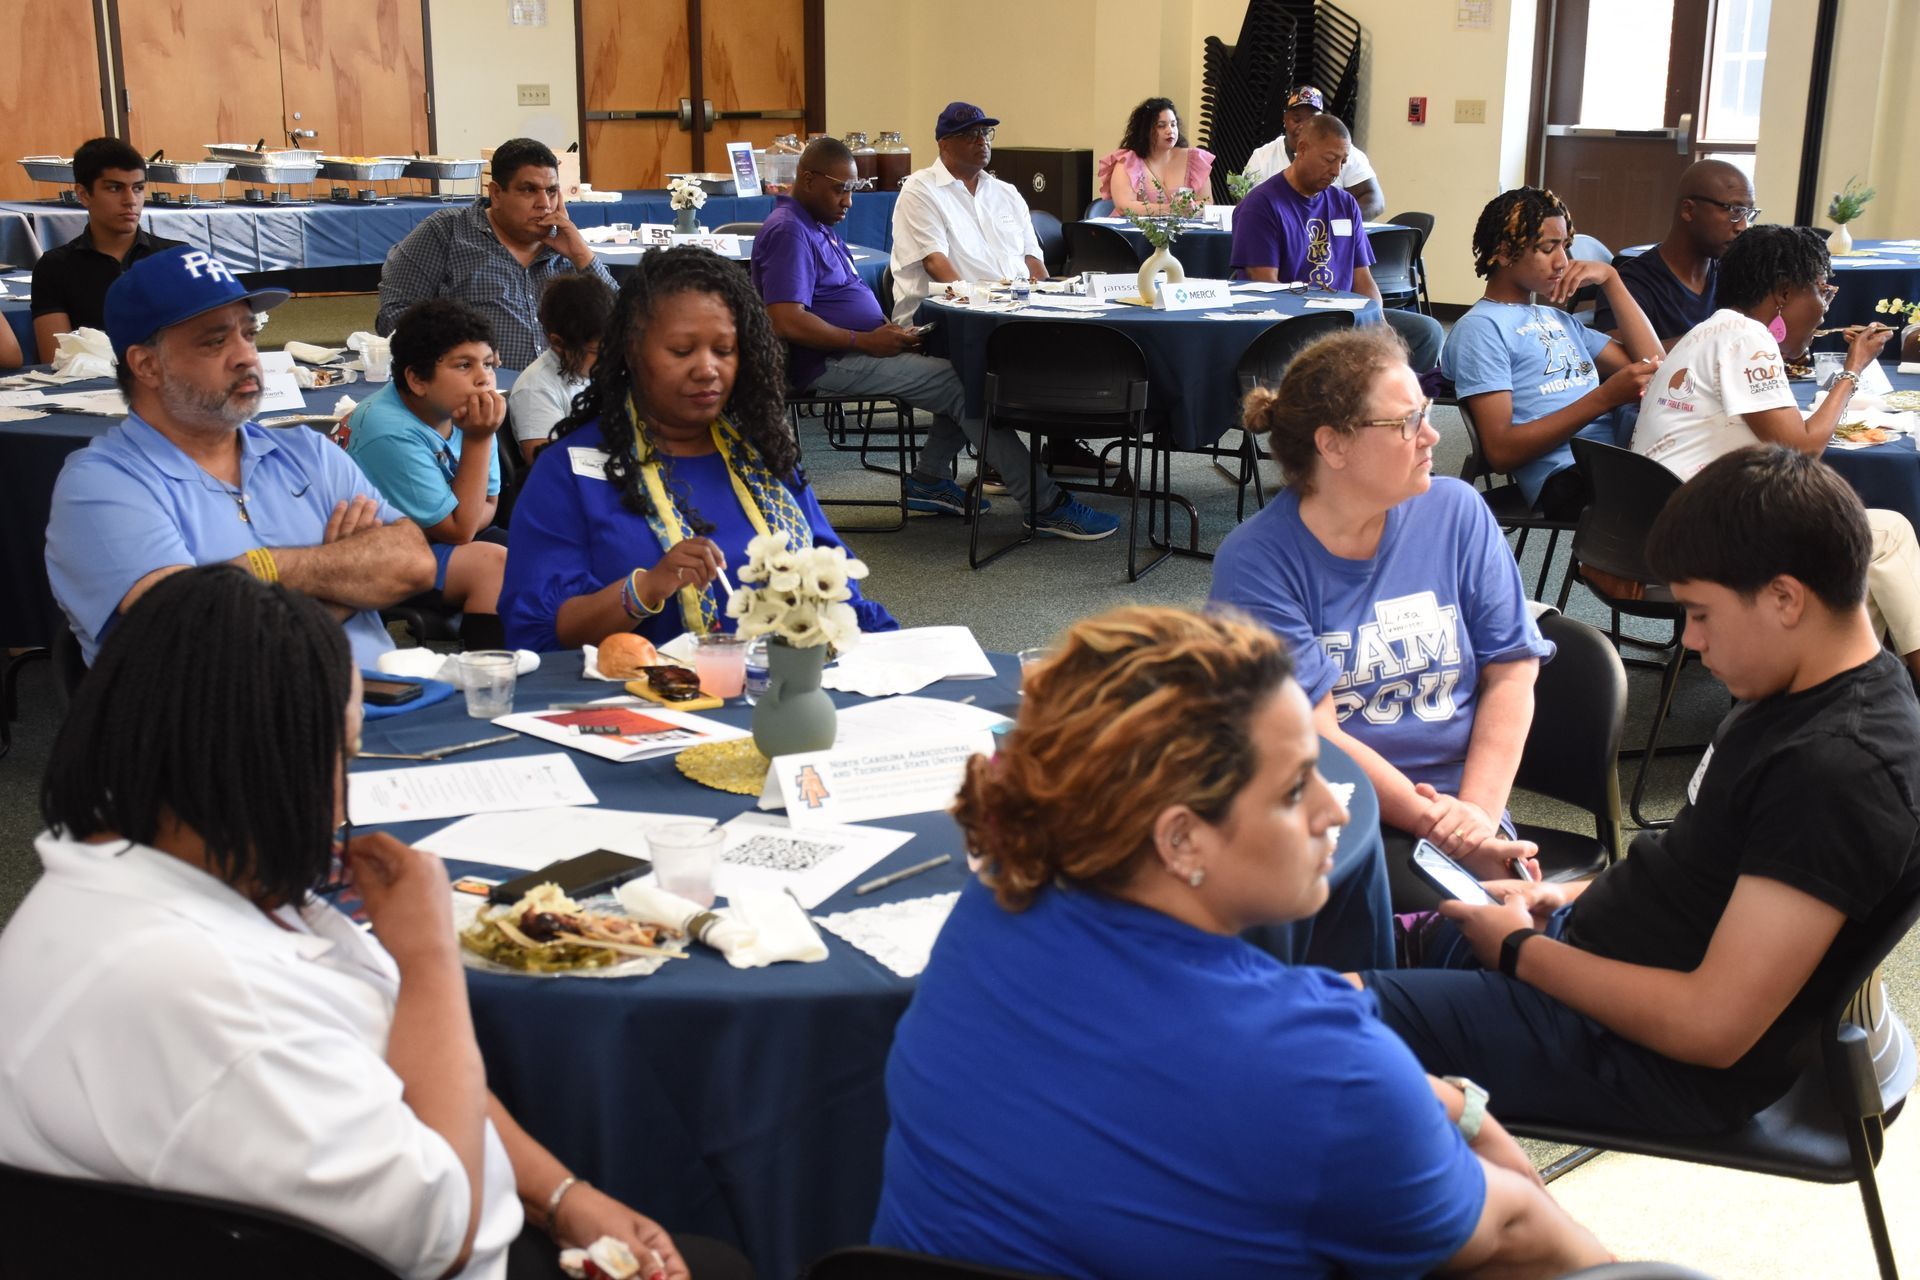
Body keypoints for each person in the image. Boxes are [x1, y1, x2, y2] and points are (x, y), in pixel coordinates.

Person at [0, 565, 753, 1280]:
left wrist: (561, 1197)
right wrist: (427, 962)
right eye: (342, 758)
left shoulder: (126, 870)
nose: (338, 803)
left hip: (339, 1227)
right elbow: (448, 1234)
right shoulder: (201, 990)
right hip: (423, 1248)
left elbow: (390, 1059)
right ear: (271, 768)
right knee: (718, 1262)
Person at [870, 605, 1610, 1279]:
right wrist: (1466, 1110)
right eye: (1295, 790)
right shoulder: (1316, 1062)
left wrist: (1439, 1101)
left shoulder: (992, 907)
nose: (1333, 809)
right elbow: (1525, 1235)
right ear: (1182, 839)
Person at [1363, 446, 1920, 1135]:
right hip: (1589, 957)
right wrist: (1561, 897)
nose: (1691, 639)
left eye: (1702, 613)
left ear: (1784, 597)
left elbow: (1713, 1028)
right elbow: (1702, 867)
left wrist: (1521, 952)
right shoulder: (1797, 686)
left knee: (1307, 1027)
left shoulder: (1839, 772)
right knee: (1331, 946)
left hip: (1642, 1056)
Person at [1211, 327, 1552, 896]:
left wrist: (1478, 816)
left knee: (1516, 929)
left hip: (1466, 805)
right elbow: (1316, 737)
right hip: (1331, 811)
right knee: (1469, 936)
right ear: (1333, 446)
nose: (1431, 436)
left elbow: (1513, 669)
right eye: (1405, 423)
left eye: (1426, 411)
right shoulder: (1256, 562)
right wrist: (1448, 834)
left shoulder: (1456, 512)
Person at [45, 246, 433, 668]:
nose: (246, 356)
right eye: (215, 341)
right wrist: (344, 581)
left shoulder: (308, 452)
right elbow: (202, 644)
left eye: (248, 334)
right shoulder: (101, 486)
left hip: (394, 707)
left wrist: (261, 567)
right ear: (147, 366)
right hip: (238, 730)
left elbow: (414, 562)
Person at [499, 246, 898, 651]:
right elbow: (539, 634)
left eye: (724, 350)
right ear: (632, 352)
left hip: (786, 690)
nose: (707, 369)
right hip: (642, 702)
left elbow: (837, 582)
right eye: (682, 351)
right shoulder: (567, 472)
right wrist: (645, 589)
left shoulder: (764, 453)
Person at [755, 137, 1117, 540]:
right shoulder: (789, 231)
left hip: (857, 348)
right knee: (963, 385)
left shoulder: (815, 223)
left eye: (852, 190)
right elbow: (784, 320)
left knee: (962, 369)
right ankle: (1044, 503)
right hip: (827, 364)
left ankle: (928, 480)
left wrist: (882, 335)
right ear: (806, 179)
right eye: (839, 189)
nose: (848, 202)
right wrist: (864, 341)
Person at [1629, 225, 1914, 676]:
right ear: (1783, 292)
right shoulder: (1746, 338)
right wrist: (1853, 368)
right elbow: (1803, 450)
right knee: (1888, 534)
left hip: (1654, 520)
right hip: (1703, 538)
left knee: (1861, 553)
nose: (1825, 309)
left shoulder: (1709, 330)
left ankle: (1837, 690)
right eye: (1823, 291)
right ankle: (1842, 688)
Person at [1441, 187, 1664, 520]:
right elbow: (1500, 451)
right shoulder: (1482, 328)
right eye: (1548, 248)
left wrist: (1612, 280)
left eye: (1565, 246)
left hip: (1615, 456)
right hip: (1567, 475)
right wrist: (1605, 398)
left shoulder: (1559, 320)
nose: (1563, 261)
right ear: (1504, 253)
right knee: (1697, 499)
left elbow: (1654, 365)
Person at [345, 298, 510, 651]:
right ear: (418, 379)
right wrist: (480, 440)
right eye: (464, 365)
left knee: (542, 551)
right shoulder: (386, 429)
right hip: (374, 555)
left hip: (435, 537)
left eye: (488, 364)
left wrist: (462, 519)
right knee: (490, 564)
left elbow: (490, 504)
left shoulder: (464, 408)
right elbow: (459, 529)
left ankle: (539, 655)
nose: (484, 379)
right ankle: (490, 670)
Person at [1230, 112, 1444, 373]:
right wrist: (1324, 320)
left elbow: (1363, 278)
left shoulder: (1344, 204)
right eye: (1330, 160)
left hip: (1346, 316)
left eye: (1343, 162)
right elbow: (1265, 286)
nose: (1336, 171)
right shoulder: (1261, 205)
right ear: (1302, 149)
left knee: (1427, 332)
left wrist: (1379, 320)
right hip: (1291, 322)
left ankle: (1391, 407)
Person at [378, 137, 616, 370]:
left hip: (560, 394)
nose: (544, 203)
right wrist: (461, 350)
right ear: (496, 194)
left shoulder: (568, 248)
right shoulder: (446, 232)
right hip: (476, 393)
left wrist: (582, 255)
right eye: (529, 190)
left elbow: (622, 323)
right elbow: (393, 316)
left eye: (552, 191)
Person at [29, 136, 182, 362]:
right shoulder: (54, 267)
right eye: (114, 188)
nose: (130, 200)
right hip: (86, 389)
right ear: (83, 194)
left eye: (138, 188)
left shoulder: (176, 258)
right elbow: (57, 357)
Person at [1594, 159, 1758, 346]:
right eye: (1734, 210)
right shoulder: (1630, 284)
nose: (1743, 226)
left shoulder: (1731, 276)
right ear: (1688, 210)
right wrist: (1718, 339)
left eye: (1749, 213)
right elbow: (1622, 362)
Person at [510, 272, 614, 467]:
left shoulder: (593, 370)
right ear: (558, 343)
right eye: (597, 351)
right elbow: (547, 465)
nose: (609, 358)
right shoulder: (536, 389)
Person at [1242, 85, 1386, 220]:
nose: (1304, 125)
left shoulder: (1343, 153)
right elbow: (1247, 205)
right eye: (1297, 119)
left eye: (1312, 118)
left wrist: (1336, 225)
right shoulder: (1262, 157)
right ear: (1285, 119)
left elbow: (1375, 201)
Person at [1098, 97, 1215, 214]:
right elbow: (1124, 207)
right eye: (1161, 126)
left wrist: (1192, 207)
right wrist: (1170, 209)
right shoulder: (1128, 162)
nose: (1170, 131)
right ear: (1145, 130)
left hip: (1184, 231)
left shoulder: (1195, 159)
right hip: (1134, 231)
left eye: (1173, 125)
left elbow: (1207, 202)